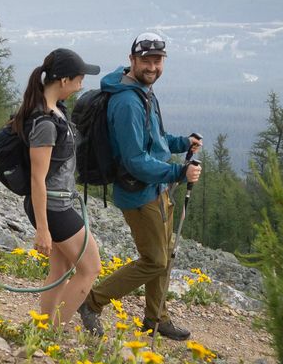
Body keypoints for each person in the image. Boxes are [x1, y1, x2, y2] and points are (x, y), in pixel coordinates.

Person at [80, 31, 201, 341]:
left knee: (166, 254)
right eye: (145, 60)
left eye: (157, 60)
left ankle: (156, 318)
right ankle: (92, 301)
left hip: (157, 189)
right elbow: (135, 160)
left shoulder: (143, 91)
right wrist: (178, 172)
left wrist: (181, 142)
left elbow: (155, 141)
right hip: (139, 192)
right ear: (132, 60)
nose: (152, 66)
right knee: (155, 260)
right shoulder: (127, 103)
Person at [13, 47, 102, 328]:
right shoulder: (45, 123)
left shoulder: (54, 111)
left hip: (56, 204)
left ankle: (44, 326)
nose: (82, 85)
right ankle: (54, 331)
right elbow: (37, 179)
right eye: (79, 79)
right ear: (64, 81)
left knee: (61, 267)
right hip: (53, 208)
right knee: (91, 268)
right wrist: (42, 229)